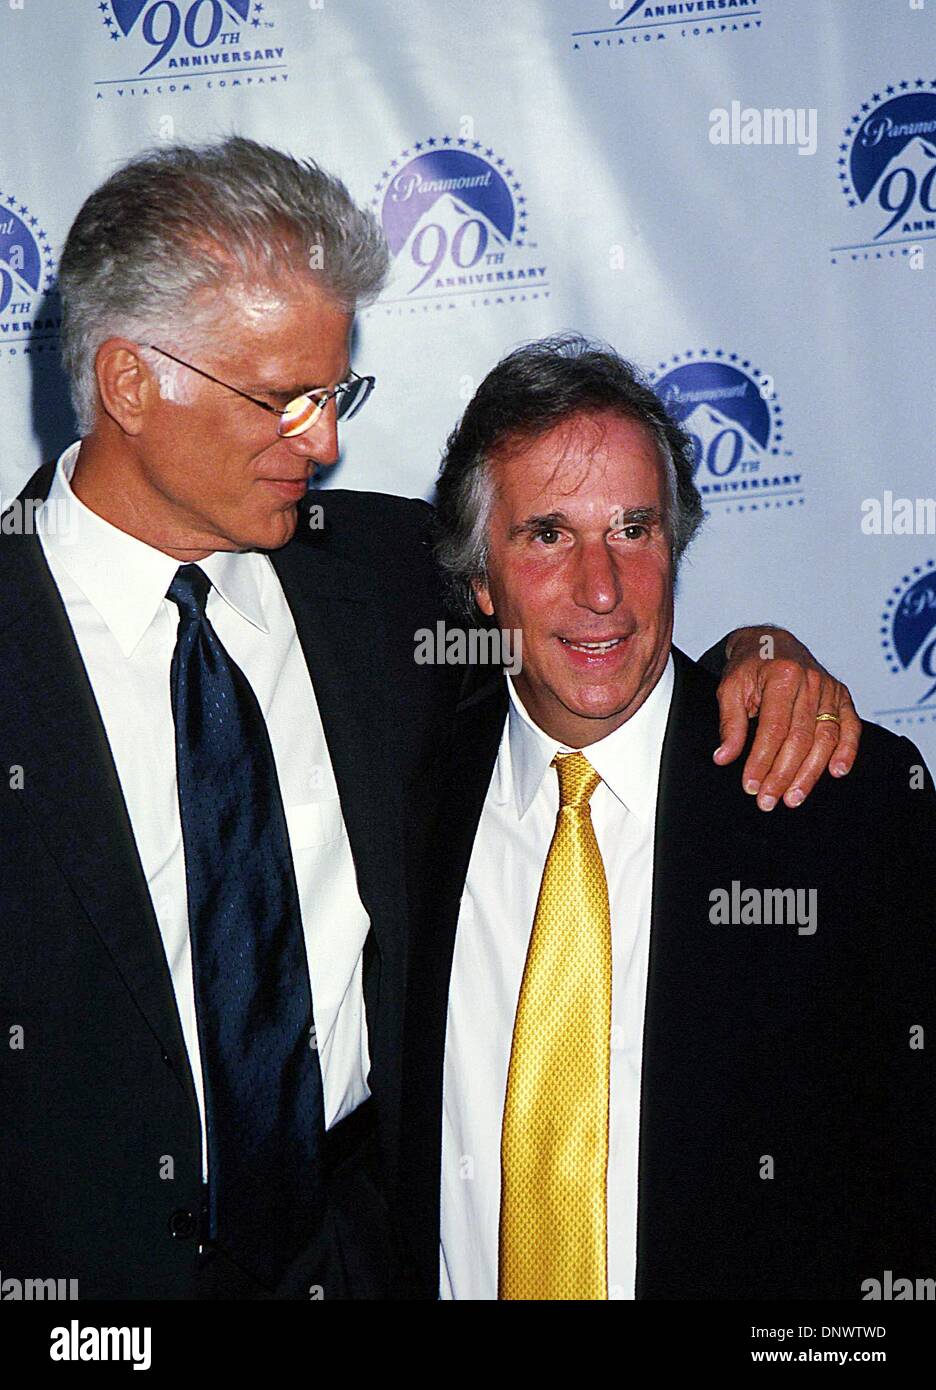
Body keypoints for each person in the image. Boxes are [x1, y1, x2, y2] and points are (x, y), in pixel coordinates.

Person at [0, 138, 860, 1300]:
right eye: (282, 399)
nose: (326, 441)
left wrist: (760, 655)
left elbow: (588, 633)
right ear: (130, 384)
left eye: (335, 393)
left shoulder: (385, 576)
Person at [400, 335, 936, 1301]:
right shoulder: (402, 789)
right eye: (549, 535)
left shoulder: (837, 803)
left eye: (634, 530)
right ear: (481, 586)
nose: (601, 589)